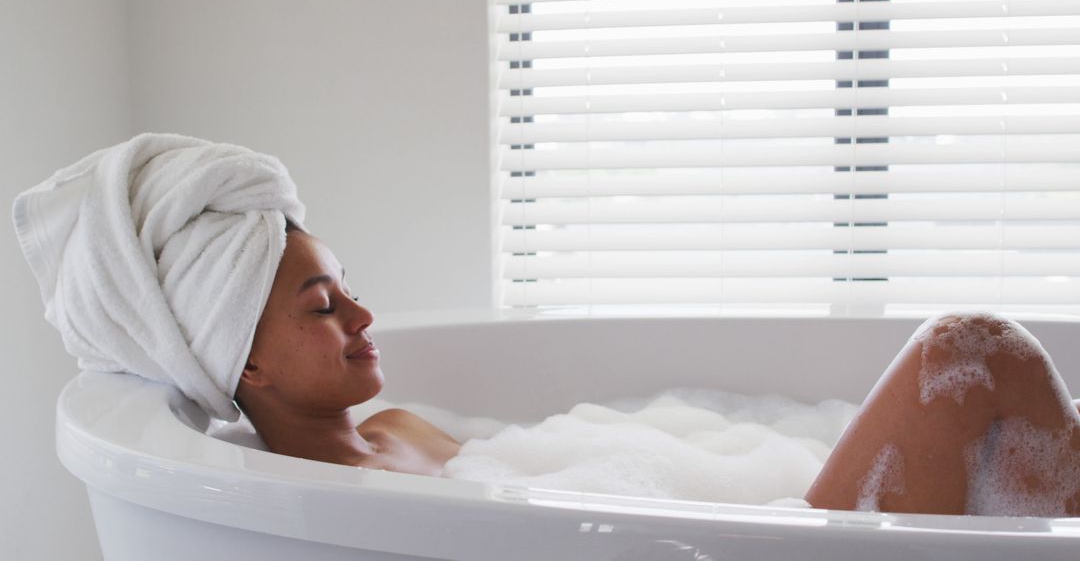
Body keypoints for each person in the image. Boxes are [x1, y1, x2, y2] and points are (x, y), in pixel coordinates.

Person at [235, 222, 1080, 517]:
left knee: (981, 372)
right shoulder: (302, 505)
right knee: (966, 353)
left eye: (353, 291)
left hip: (759, 526)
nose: (361, 316)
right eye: (321, 306)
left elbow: (576, 493)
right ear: (247, 363)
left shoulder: (405, 430)